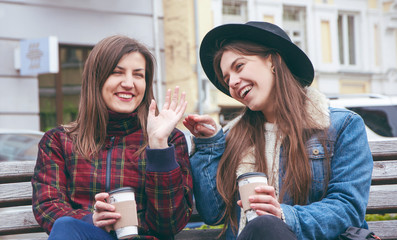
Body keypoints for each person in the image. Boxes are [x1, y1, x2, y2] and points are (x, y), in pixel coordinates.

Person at [183, 21, 373, 240]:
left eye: (239, 67)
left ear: (273, 60)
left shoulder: (342, 126)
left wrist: (284, 215)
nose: (232, 83)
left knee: (266, 225)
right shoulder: (232, 137)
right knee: (263, 227)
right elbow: (212, 214)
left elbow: (348, 209)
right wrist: (209, 145)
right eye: (226, 79)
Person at [31, 35, 193, 240]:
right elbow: (48, 207)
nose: (128, 83)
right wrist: (92, 219)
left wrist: (158, 147)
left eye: (138, 75)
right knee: (66, 226)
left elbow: (169, 224)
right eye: (117, 72)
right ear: (96, 79)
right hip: (88, 236)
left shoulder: (170, 140)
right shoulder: (59, 141)